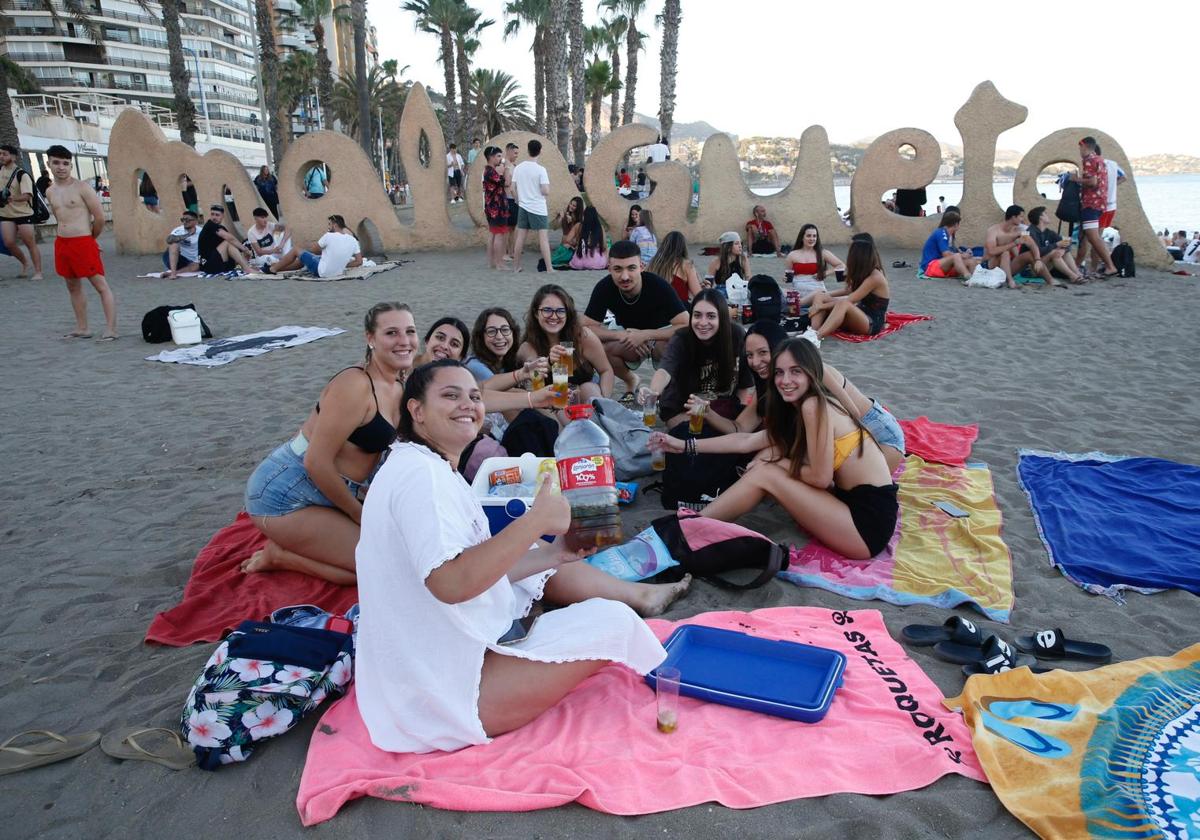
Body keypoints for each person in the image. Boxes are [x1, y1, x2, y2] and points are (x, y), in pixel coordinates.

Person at [353, 359, 689, 754]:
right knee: (615, 623)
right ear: (417, 411)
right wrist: (536, 520)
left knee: (530, 555)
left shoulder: (419, 463)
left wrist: (556, 552)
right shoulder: (422, 477)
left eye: (475, 397)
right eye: (450, 395)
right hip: (443, 699)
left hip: (418, 674)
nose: (468, 405)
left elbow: (475, 565)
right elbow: (450, 582)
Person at [650, 338, 898, 560]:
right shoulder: (803, 407)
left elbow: (820, 479)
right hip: (853, 508)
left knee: (766, 471)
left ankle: (690, 527)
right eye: (779, 373)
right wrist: (683, 445)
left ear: (811, 373)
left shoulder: (814, 405)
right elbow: (746, 441)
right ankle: (694, 525)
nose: (785, 381)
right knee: (765, 467)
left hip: (866, 526)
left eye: (795, 372)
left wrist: (777, 464)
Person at [241, 303, 413, 584]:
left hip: (336, 489)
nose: (404, 340)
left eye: (410, 331)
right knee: (380, 569)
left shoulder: (398, 385)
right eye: (391, 333)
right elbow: (315, 462)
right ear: (370, 338)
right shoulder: (355, 385)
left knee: (396, 555)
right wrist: (360, 515)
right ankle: (280, 556)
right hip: (286, 492)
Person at [733, 322, 905, 472]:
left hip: (877, 434)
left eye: (763, 352)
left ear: (778, 347)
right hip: (843, 439)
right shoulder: (775, 384)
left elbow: (853, 413)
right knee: (769, 456)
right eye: (749, 355)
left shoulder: (813, 370)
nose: (755, 362)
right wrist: (708, 413)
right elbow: (741, 429)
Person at [581, 239, 689, 393]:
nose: (625, 277)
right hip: (628, 337)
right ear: (609, 268)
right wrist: (619, 335)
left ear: (642, 267)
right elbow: (586, 326)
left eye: (631, 268)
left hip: (661, 335)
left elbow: (686, 325)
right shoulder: (604, 287)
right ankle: (631, 380)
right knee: (602, 348)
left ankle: (668, 389)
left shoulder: (658, 285)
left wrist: (645, 335)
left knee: (679, 344)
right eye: (618, 269)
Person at [640, 289, 754, 431]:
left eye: (711, 316)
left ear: (722, 317)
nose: (702, 323)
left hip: (722, 408)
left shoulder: (736, 336)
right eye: (697, 315)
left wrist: (738, 417)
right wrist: (653, 391)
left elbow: (744, 385)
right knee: (695, 435)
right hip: (683, 411)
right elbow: (664, 371)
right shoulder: (681, 339)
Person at [43, 144, 117, 341]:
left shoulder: (82, 188)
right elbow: (60, 217)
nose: (61, 167)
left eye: (66, 163)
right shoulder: (50, 191)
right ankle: (82, 327)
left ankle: (111, 328)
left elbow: (99, 218)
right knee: (72, 286)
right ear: (48, 163)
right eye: (56, 163)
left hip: (83, 240)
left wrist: (91, 240)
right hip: (62, 242)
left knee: (100, 285)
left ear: (71, 166)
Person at [518, 284, 614, 400]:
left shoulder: (582, 337)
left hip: (587, 400)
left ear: (568, 314)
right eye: (547, 310)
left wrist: (604, 400)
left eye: (561, 311)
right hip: (552, 405)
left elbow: (606, 370)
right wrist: (549, 362)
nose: (554, 316)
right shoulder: (528, 347)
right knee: (559, 399)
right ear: (536, 313)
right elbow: (535, 383)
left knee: (588, 388)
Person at [807, 238, 891, 338]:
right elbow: (849, 290)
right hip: (859, 314)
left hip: (871, 322)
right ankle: (812, 331)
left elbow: (850, 300)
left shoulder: (875, 277)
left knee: (843, 303)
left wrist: (820, 307)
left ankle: (817, 336)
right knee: (820, 296)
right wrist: (825, 296)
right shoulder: (863, 272)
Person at [1069, 136, 1118, 277]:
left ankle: (1110, 265)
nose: (1079, 151)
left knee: (1093, 237)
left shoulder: (1089, 160)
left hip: (1091, 202)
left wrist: (1075, 179)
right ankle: (1077, 267)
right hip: (1100, 202)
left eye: (1080, 148)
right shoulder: (1100, 160)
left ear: (1084, 147)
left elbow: (1092, 182)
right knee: (1087, 236)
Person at [983, 205, 1057, 288]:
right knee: (1005, 253)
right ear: (1013, 217)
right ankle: (1010, 281)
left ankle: (1051, 280)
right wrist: (1014, 243)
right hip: (990, 267)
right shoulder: (994, 230)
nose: (1023, 220)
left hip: (1006, 267)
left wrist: (1038, 259)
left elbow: (1033, 245)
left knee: (1029, 254)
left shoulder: (1020, 230)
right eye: (1021, 217)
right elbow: (992, 251)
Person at [268, 214, 361, 278]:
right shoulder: (353, 240)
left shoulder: (329, 235)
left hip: (322, 271)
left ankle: (273, 269)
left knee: (296, 250)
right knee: (303, 259)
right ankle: (278, 267)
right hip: (337, 272)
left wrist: (307, 248)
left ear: (335, 225)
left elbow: (314, 250)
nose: (328, 227)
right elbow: (359, 261)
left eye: (329, 224)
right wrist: (342, 264)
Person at [510, 139, 554, 274]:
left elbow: (512, 189)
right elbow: (545, 190)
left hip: (523, 206)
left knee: (520, 238)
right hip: (538, 207)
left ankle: (516, 267)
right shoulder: (541, 170)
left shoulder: (519, 167)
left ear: (528, 150)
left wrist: (518, 200)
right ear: (539, 151)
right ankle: (549, 268)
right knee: (543, 239)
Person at [0, 144, 43, 279]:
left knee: (30, 243)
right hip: (6, 214)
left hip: (24, 214)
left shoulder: (21, 174)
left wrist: (12, 198)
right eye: (0, 154)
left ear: (13, 157)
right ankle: (25, 262)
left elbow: (27, 196)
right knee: (9, 243)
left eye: (4, 154)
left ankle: (38, 272)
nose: (1, 156)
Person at [1027, 206, 1083, 284]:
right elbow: (1038, 251)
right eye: (1045, 214)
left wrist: (1063, 249)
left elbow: (1066, 242)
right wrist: (1056, 245)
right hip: (1033, 267)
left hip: (1045, 265)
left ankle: (1077, 274)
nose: (1048, 215)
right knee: (1055, 252)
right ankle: (1073, 276)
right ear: (1040, 218)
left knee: (1062, 251)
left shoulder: (1048, 232)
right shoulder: (1031, 232)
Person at [920, 210, 978, 279]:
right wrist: (963, 255)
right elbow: (946, 254)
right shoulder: (941, 233)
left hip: (942, 265)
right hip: (930, 267)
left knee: (971, 261)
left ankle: (975, 279)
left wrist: (964, 253)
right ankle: (968, 277)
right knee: (956, 256)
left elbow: (953, 253)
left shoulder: (948, 235)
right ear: (956, 224)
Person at [196, 203, 252, 275]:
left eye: (217, 215)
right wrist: (245, 250)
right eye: (212, 214)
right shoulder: (210, 225)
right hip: (208, 266)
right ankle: (247, 269)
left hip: (219, 263)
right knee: (228, 242)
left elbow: (233, 246)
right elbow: (230, 238)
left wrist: (243, 252)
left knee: (233, 244)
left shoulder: (221, 228)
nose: (214, 217)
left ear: (222, 216)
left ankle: (246, 265)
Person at [647, 230, 702, 302]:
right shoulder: (685, 265)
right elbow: (698, 294)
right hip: (680, 310)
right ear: (683, 246)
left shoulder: (653, 263)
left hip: (656, 308)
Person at [482, 146, 508, 270]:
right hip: (496, 208)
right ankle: (499, 263)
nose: (500, 159)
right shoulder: (491, 171)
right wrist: (504, 171)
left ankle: (491, 262)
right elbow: (505, 182)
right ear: (491, 157)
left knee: (493, 234)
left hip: (492, 207)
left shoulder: (488, 170)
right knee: (498, 235)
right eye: (498, 156)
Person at [161, 209, 201, 277]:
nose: (185, 222)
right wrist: (187, 235)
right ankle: (173, 273)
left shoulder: (201, 232)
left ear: (195, 221)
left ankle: (174, 273)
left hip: (191, 261)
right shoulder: (179, 230)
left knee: (199, 265)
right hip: (176, 258)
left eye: (187, 220)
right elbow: (169, 240)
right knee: (174, 243)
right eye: (183, 220)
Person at [569, 206, 608, 270]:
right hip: (596, 262)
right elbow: (604, 246)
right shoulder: (600, 227)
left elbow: (567, 240)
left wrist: (576, 244)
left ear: (584, 215)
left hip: (579, 261)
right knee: (608, 248)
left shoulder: (579, 226)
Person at [550, 196, 583, 268]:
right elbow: (554, 227)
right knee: (554, 258)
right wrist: (561, 218)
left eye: (574, 206)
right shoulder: (565, 214)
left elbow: (578, 235)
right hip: (563, 244)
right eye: (571, 204)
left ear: (578, 208)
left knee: (560, 259)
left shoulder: (580, 219)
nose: (571, 206)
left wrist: (572, 222)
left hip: (573, 245)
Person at [501, 142, 519, 261]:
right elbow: (507, 183)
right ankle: (504, 253)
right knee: (507, 228)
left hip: (514, 199)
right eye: (515, 153)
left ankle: (511, 251)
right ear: (508, 151)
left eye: (517, 153)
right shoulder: (505, 165)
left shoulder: (513, 165)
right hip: (507, 199)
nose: (517, 155)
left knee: (512, 227)